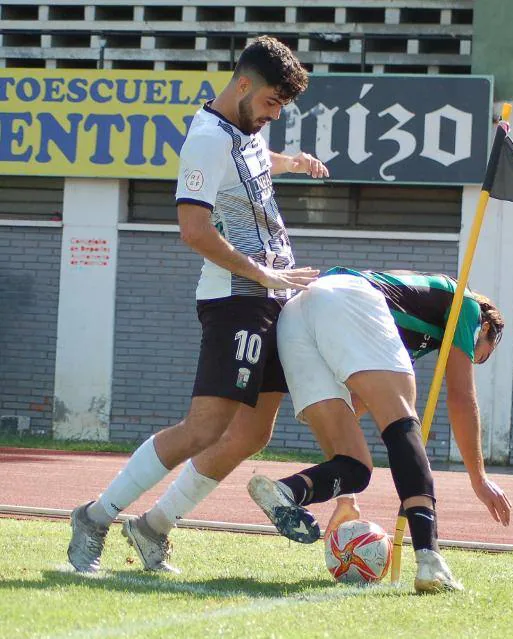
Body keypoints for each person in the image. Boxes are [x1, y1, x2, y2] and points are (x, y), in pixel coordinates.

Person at [67, 35, 329, 574]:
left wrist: (291, 162)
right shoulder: (207, 139)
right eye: (271, 103)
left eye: (281, 107)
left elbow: (256, 161)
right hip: (236, 299)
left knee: (255, 432)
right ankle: (96, 515)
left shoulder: (247, 130)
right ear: (243, 85)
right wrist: (263, 273)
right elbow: (193, 230)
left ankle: (153, 527)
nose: (273, 115)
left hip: (271, 298)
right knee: (203, 428)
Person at [247, 267, 512, 593]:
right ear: (484, 327)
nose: (471, 358)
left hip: (296, 317)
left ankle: (286, 492)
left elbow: (351, 412)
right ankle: (430, 561)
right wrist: (479, 478)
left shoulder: (402, 331)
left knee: (356, 467)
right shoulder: (467, 304)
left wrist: (345, 496)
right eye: (478, 354)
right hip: (348, 296)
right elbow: (460, 397)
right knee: (403, 423)